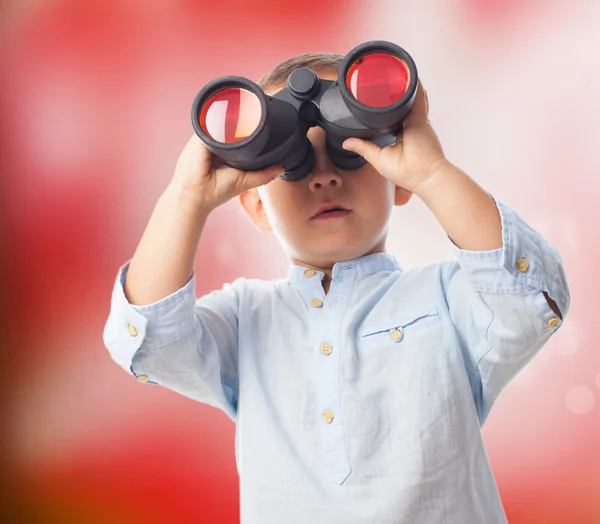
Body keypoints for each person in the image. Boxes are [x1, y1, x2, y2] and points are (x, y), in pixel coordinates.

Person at [103, 52, 570, 523]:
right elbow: (151, 338)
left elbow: (531, 297)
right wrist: (186, 196)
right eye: (294, 164)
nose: (325, 177)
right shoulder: (246, 319)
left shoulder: (447, 300)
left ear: (397, 181)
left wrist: (432, 173)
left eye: (352, 151)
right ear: (255, 206)